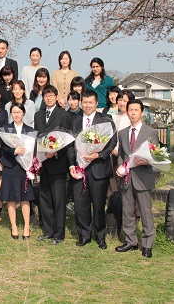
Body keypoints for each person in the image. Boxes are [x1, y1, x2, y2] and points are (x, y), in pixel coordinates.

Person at [67, 90, 117, 249]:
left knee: (99, 203)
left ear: (96, 104)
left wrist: (100, 155)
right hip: (80, 169)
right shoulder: (75, 121)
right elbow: (70, 145)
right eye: (85, 102)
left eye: (90, 102)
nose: (87, 105)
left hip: (98, 168)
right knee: (80, 204)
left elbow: (112, 141)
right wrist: (71, 164)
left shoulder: (105, 120)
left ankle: (100, 236)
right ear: (81, 103)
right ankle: (84, 235)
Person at [115, 99, 159, 258]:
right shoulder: (122, 133)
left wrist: (146, 161)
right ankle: (130, 241)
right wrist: (120, 167)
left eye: (136, 110)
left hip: (143, 177)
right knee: (127, 211)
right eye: (130, 110)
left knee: (146, 212)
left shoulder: (150, 132)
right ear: (127, 112)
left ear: (141, 112)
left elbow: (156, 155)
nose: (133, 113)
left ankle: (147, 244)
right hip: (126, 179)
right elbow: (121, 154)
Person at [34, 85, 72, 244]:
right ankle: (48, 231)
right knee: (45, 199)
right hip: (43, 164)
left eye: (51, 95)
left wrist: (56, 152)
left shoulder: (64, 115)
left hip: (58, 163)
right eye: (46, 95)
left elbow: (68, 139)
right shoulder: (38, 115)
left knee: (58, 200)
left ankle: (59, 234)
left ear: (56, 97)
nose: (48, 98)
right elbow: (36, 137)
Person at [0, 103, 35, 240]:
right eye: (14, 112)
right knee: (11, 198)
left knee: (25, 198)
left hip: (24, 167)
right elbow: (1, 147)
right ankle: (13, 226)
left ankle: (26, 226)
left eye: (19, 112)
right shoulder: (6, 129)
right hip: (10, 166)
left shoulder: (30, 130)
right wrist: (14, 151)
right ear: (11, 114)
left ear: (24, 113)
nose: (16, 114)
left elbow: (33, 148)